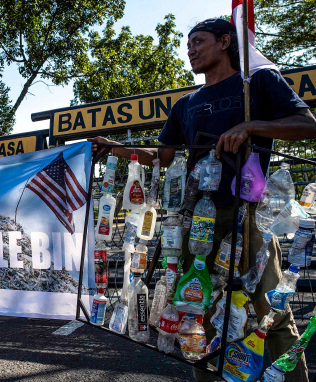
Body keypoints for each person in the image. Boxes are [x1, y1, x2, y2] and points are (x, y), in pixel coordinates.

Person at [89, 19, 316, 382]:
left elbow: (308, 125)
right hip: (198, 223)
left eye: (199, 41)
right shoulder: (186, 104)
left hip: (248, 216)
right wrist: (118, 148)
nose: (190, 49)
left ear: (226, 42)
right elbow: (163, 157)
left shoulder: (256, 83)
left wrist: (251, 127)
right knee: (199, 309)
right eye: (188, 43)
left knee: (272, 309)